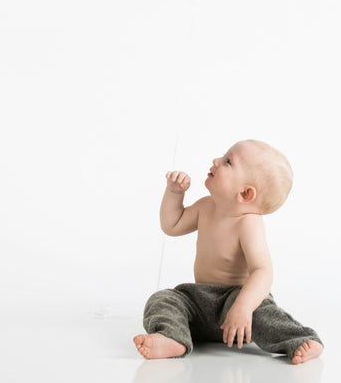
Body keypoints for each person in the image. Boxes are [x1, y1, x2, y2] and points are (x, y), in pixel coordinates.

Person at [133, 139, 324, 365]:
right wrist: (174, 194)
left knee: (263, 314)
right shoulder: (206, 206)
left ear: (245, 193)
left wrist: (244, 307)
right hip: (200, 301)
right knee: (164, 299)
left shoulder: (248, 224)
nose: (215, 161)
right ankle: (174, 337)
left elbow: (262, 271)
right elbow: (172, 225)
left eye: (227, 161)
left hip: (237, 301)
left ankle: (300, 338)